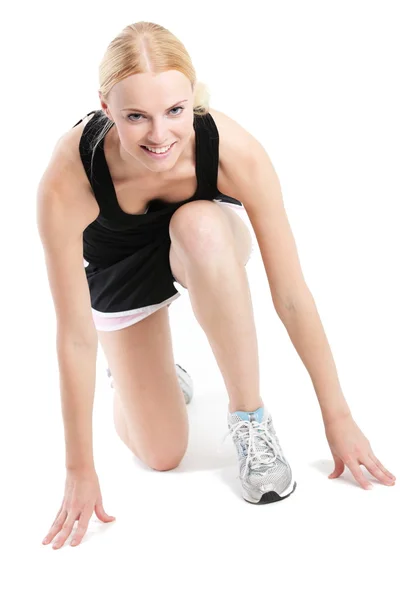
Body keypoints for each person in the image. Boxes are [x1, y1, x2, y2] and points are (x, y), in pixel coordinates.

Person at [37, 21, 396, 550]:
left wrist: (338, 416)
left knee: (199, 223)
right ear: (105, 107)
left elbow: (292, 292)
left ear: (193, 97)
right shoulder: (68, 179)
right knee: (161, 455)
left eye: (175, 111)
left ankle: (249, 419)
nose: (160, 136)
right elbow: (72, 336)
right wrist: (79, 467)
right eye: (136, 116)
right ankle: (137, 371)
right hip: (119, 269)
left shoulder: (231, 148)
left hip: (203, 245)